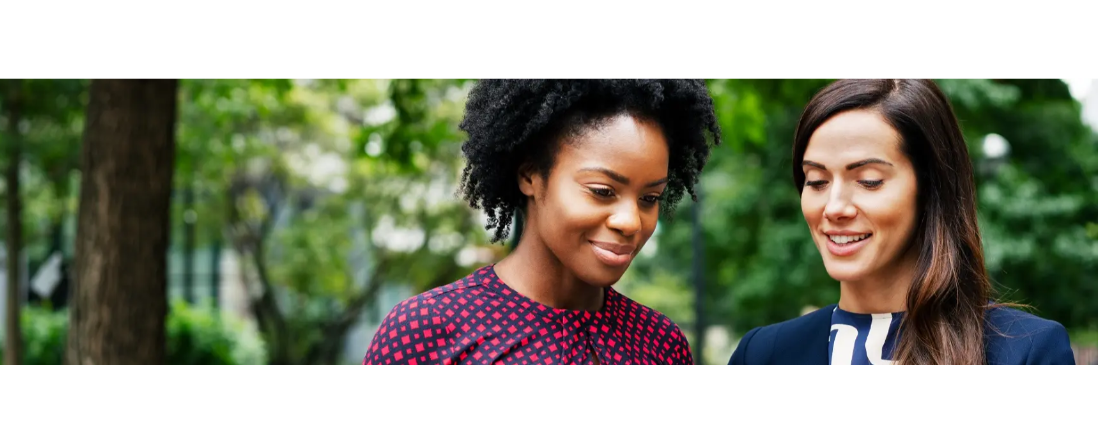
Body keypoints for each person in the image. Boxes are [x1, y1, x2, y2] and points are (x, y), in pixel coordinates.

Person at [364, 78, 721, 365]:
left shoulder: (661, 344)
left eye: (649, 199)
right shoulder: (426, 331)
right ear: (530, 175)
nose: (630, 222)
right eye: (602, 191)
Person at [728, 78, 1075, 365]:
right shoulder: (762, 353)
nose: (834, 207)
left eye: (868, 181)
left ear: (929, 189)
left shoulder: (1026, 350)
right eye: (817, 181)